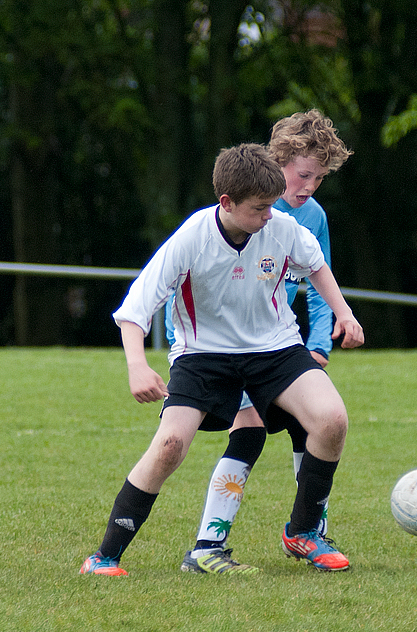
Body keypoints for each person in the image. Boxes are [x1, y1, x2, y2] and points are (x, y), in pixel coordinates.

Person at [80, 142, 363, 577]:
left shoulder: (281, 226)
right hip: (203, 354)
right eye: (260, 208)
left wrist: (343, 313)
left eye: (272, 206)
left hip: (274, 347)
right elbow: (136, 308)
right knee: (170, 447)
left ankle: (304, 531)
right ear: (226, 203)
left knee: (332, 419)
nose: (270, 215)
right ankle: (105, 556)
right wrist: (137, 365)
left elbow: (316, 264)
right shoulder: (193, 237)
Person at [174, 110, 352, 574]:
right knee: (249, 432)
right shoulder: (242, 208)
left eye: (320, 177)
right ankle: (208, 543)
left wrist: (320, 345)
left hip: (275, 342)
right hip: (220, 347)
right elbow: (192, 280)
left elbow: (316, 280)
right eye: (304, 174)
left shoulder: (312, 216)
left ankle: (309, 531)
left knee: (312, 426)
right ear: (279, 162)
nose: (310, 185)